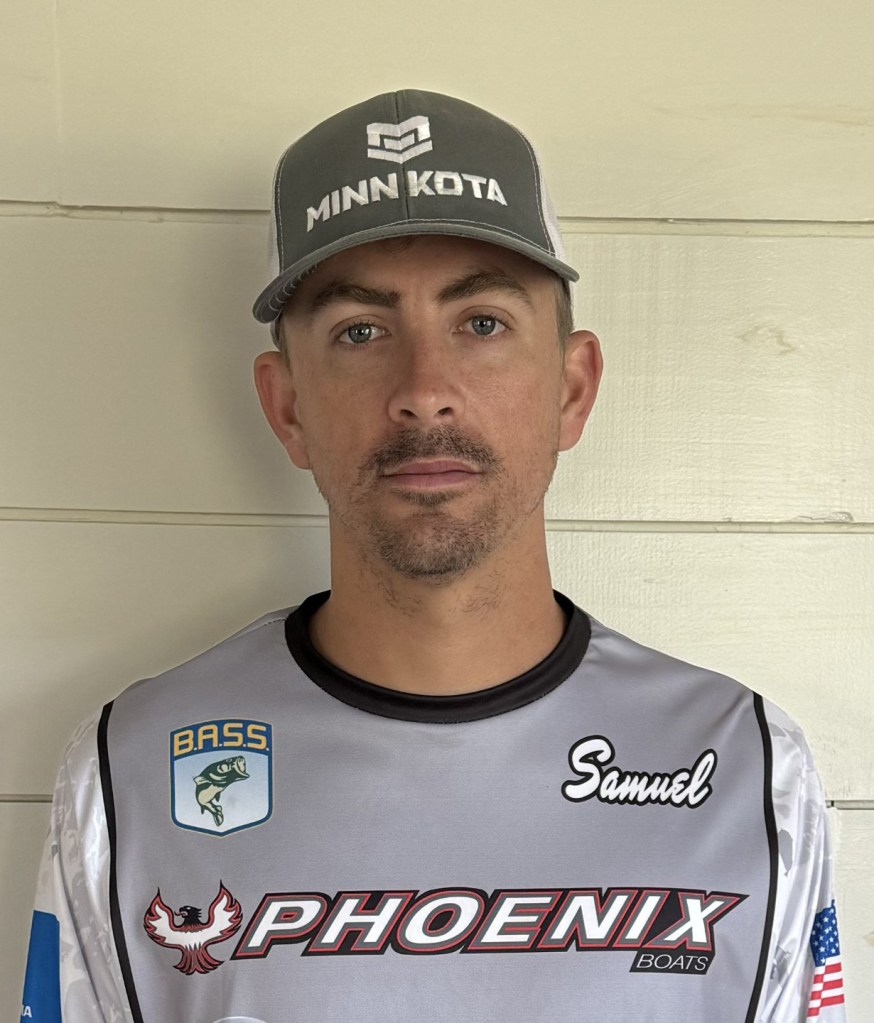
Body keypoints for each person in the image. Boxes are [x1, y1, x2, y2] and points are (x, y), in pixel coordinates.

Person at [22, 90, 845, 1023]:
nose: (424, 389)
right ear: (287, 407)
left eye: (482, 322)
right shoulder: (128, 773)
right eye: (361, 331)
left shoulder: (747, 770)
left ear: (572, 389)